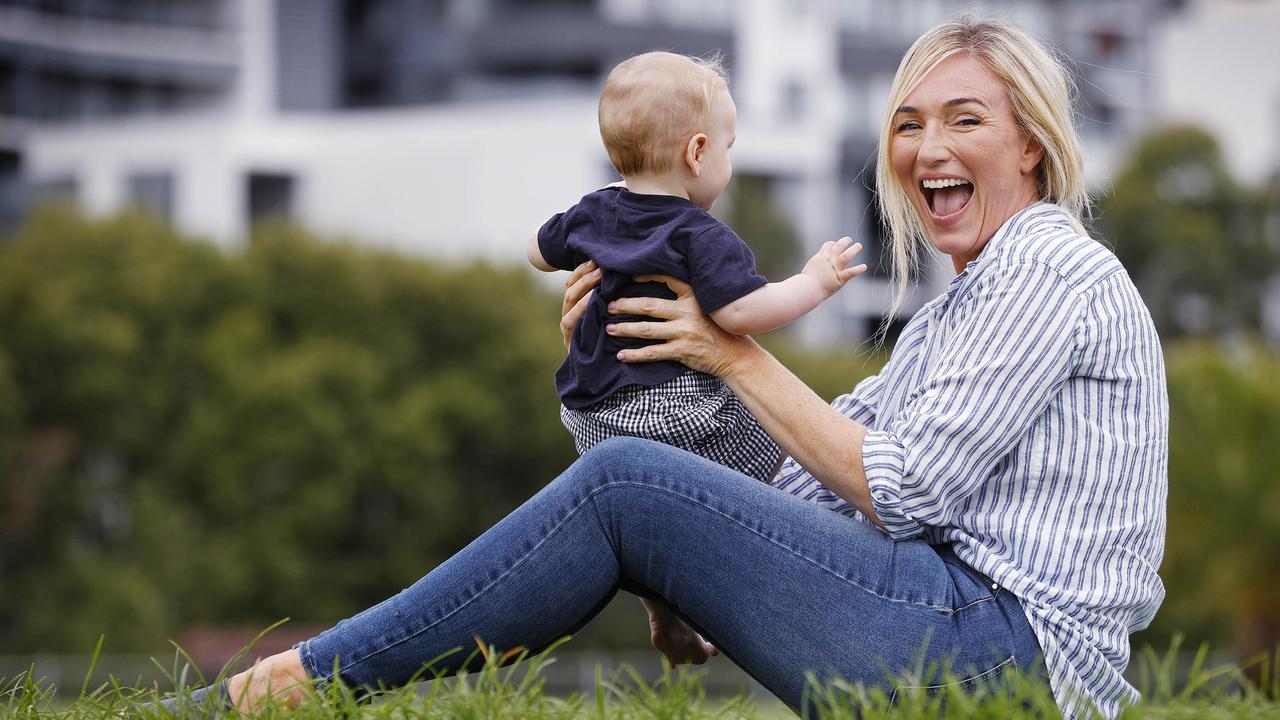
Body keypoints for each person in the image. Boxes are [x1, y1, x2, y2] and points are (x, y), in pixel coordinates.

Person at [157, 16, 1166, 720]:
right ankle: (297, 686)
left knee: (623, 484)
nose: (924, 147)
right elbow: (810, 472)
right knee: (633, 483)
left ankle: (289, 688)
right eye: (907, 123)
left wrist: (721, 349)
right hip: (959, 632)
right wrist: (649, 405)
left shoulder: (1045, 268)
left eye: (962, 120)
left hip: (1004, 663)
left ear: (1032, 145)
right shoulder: (969, 301)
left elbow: (899, 488)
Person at [528, 51, 864, 483]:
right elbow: (742, 312)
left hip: (590, 415)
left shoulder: (593, 210)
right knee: (762, 427)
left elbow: (538, 251)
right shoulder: (700, 235)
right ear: (697, 153)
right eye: (729, 148)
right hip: (672, 413)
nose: (729, 163)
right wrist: (812, 283)